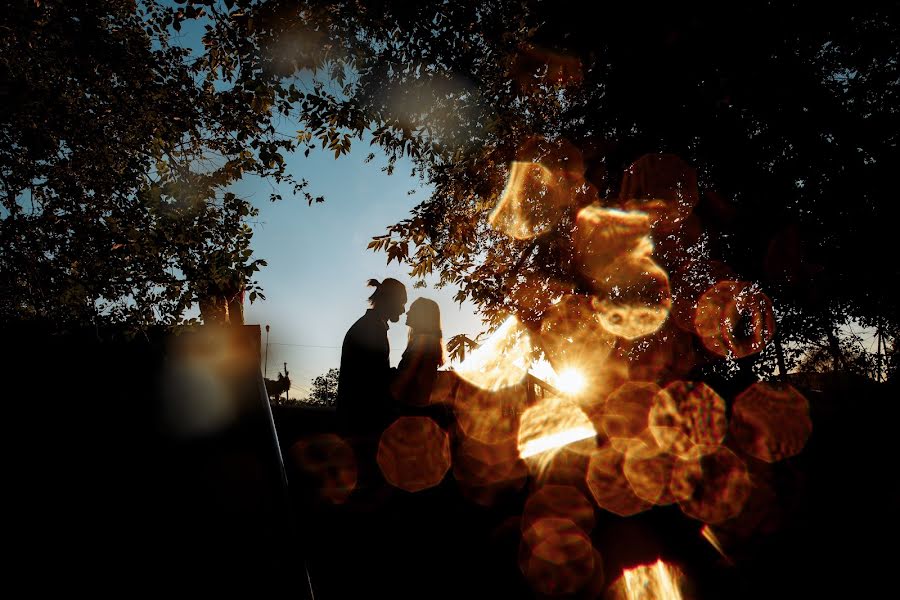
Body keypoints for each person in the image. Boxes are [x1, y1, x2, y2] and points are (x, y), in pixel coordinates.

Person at [336, 277, 407, 436]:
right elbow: (375, 379)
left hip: (356, 421)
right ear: (390, 300)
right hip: (362, 424)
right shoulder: (371, 329)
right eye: (402, 303)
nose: (403, 310)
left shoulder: (370, 325)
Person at [390, 297, 446, 409]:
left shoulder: (425, 342)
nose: (407, 312)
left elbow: (422, 381)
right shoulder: (421, 341)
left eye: (412, 309)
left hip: (410, 407)